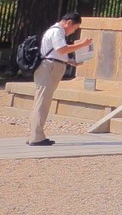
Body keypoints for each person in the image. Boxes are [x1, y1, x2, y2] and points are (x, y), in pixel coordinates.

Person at [26, 12, 92, 146]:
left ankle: (34, 134)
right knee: (43, 101)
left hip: (49, 66)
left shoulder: (54, 31)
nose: (73, 31)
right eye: (74, 28)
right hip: (50, 68)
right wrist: (83, 45)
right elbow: (61, 49)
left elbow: (57, 53)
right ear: (68, 23)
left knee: (41, 100)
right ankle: (36, 136)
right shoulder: (57, 32)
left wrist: (70, 61)